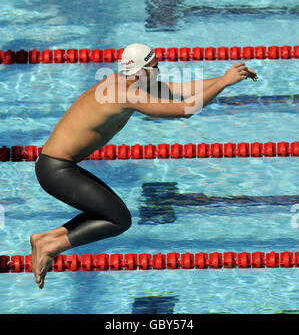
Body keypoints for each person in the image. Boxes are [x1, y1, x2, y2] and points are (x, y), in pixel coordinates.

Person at [32, 43, 258, 288]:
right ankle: (51, 244)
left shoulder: (125, 83)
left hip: (59, 167)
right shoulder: (126, 94)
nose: (159, 71)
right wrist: (224, 82)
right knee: (119, 220)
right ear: (140, 72)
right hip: (56, 171)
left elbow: (179, 90)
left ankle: (46, 240)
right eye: (155, 67)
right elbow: (185, 109)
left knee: (113, 215)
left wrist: (225, 78)